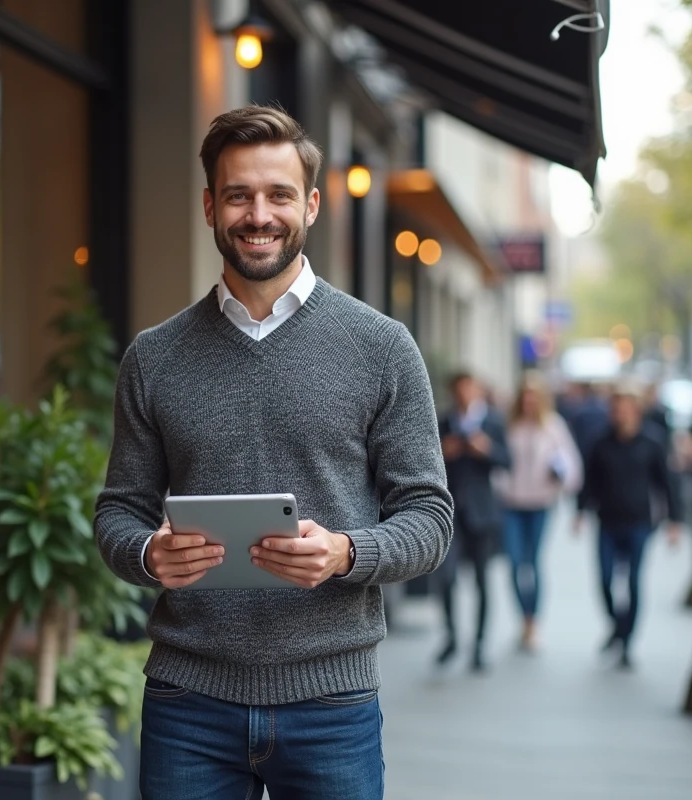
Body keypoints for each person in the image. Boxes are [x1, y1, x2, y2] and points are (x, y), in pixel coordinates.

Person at [94, 104, 453, 800]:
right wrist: (147, 555)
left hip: (332, 705)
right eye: (238, 195)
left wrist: (348, 552)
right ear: (210, 206)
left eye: (279, 194)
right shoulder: (153, 357)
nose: (259, 214)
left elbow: (430, 518)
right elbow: (118, 513)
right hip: (186, 702)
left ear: (311, 205)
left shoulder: (382, 348)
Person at [577, 382, 683, 669]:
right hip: (607, 521)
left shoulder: (653, 441)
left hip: (639, 522)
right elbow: (590, 481)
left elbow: (667, 483)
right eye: (615, 407)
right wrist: (580, 511)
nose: (619, 413)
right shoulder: (600, 441)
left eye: (625, 407)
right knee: (606, 580)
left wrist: (676, 521)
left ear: (635, 410)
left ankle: (626, 641)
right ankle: (617, 625)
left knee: (634, 582)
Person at [496, 373, 582, 652]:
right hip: (512, 504)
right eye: (525, 397)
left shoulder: (553, 426)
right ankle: (524, 617)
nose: (529, 402)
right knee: (513, 563)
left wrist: (559, 474)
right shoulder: (509, 426)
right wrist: (501, 485)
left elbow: (571, 466)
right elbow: (498, 462)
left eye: (534, 397)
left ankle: (533, 622)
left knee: (533, 563)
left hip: (541, 504)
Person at [436, 371, 510, 672]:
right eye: (460, 390)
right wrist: (444, 452)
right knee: (446, 578)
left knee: (482, 581)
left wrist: (487, 449)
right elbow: (426, 460)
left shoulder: (492, 422)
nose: (465, 395)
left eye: (470, 389)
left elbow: (508, 461)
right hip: (450, 514)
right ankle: (452, 636)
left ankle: (479, 645)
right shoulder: (444, 421)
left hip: (482, 513)